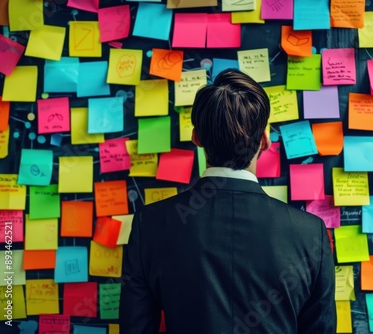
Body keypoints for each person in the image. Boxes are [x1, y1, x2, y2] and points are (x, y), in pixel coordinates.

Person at [120, 69, 336, 334]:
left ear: (196, 138)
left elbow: (135, 328)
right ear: (264, 141)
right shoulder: (311, 233)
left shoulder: (149, 225)